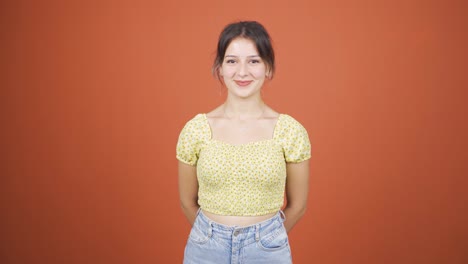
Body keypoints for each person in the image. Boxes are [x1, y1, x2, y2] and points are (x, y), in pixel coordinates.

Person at [176, 21, 311, 264]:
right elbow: (187, 201)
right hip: (205, 251)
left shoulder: (289, 131)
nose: (242, 72)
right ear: (219, 68)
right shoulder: (196, 130)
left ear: (268, 68)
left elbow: (298, 205)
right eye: (232, 61)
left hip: (268, 252)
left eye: (254, 61)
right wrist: (213, 237)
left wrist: (266, 238)